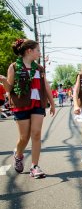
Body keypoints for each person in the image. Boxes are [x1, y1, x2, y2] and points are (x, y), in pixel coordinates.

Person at [0, 39, 55, 178]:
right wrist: (4, 81)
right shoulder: (14, 67)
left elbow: (46, 86)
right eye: (38, 50)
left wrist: (52, 103)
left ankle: (34, 166)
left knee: (36, 134)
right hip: (21, 104)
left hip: (38, 103)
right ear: (29, 51)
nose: (40, 54)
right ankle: (18, 154)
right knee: (24, 138)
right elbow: (9, 88)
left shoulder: (39, 68)